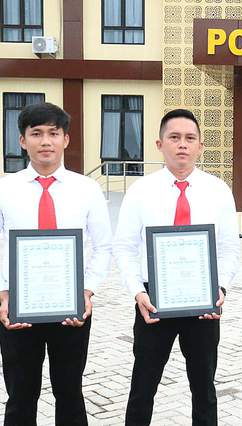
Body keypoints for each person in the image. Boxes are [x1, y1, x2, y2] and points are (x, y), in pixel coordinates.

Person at [113, 109, 240, 425]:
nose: (182, 144)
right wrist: (137, 292)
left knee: (204, 387)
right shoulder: (140, 191)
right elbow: (125, 246)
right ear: (159, 144)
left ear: (200, 146)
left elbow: (228, 247)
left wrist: (221, 287)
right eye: (174, 137)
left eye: (189, 138)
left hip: (203, 299)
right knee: (143, 386)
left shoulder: (218, 191)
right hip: (153, 300)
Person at [0, 102, 112, 425]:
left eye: (53, 133)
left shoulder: (87, 189)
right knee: (20, 396)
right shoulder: (5, 189)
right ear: (22, 141)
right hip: (17, 309)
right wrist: (3, 295)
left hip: (71, 308)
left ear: (66, 139)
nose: (45, 141)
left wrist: (86, 291)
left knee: (70, 393)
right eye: (36, 133)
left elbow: (103, 246)